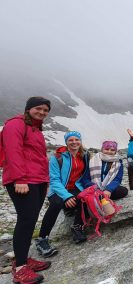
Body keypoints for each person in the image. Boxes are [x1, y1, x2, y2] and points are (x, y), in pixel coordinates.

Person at [1, 97, 52, 284]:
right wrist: (19, 179)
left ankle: (23, 259)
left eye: (46, 110)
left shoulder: (36, 128)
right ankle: (21, 268)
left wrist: (45, 182)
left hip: (37, 180)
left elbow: (38, 157)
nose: (42, 112)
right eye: (38, 108)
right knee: (26, 220)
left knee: (30, 220)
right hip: (23, 180)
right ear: (28, 108)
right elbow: (13, 151)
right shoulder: (16, 124)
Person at [35, 131, 92, 256]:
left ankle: (77, 227)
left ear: (80, 141)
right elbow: (54, 180)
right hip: (58, 189)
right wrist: (66, 196)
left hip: (76, 187)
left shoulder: (85, 155)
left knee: (85, 198)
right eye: (70, 140)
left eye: (76, 140)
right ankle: (42, 239)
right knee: (56, 204)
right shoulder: (57, 158)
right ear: (66, 142)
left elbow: (86, 175)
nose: (74, 142)